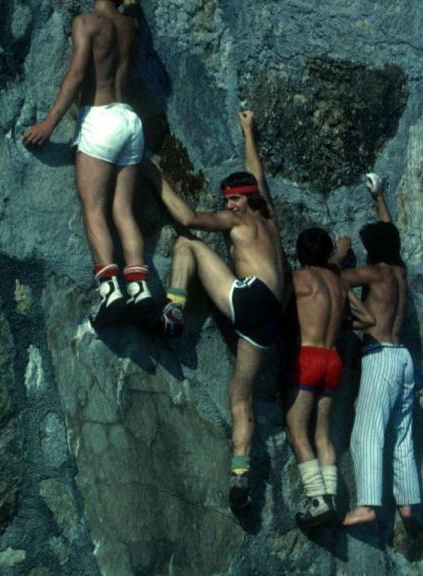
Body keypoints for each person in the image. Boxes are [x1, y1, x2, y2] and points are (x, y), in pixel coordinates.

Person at [150, 109, 286, 514]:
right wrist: (248, 130)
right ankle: (240, 476)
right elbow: (255, 174)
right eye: (226, 200)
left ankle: (173, 309)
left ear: (243, 203)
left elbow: (189, 217)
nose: (228, 205)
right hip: (271, 318)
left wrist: (151, 175)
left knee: (186, 244)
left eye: (233, 200)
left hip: (251, 297)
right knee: (239, 395)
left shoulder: (238, 220)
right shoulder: (269, 220)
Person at [22, 0, 151, 324]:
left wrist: (49, 123)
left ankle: (111, 290)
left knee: (93, 207)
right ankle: (140, 288)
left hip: (101, 119)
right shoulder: (129, 26)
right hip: (130, 120)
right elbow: (131, 14)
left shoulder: (87, 23)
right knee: (123, 210)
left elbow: (77, 74)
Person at [330, 174, 423, 527]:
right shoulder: (399, 270)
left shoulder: (374, 273)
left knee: (366, 432)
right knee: (401, 437)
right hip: (403, 357)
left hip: (381, 357)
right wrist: (379, 196)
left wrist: (340, 253)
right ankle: (409, 504)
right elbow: (390, 230)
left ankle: (369, 503)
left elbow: (332, 278)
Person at [284, 228, 374, 528]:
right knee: (323, 433)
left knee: (297, 431)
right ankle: (332, 498)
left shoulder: (297, 280)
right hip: (333, 359)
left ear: (299, 252)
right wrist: (340, 322)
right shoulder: (338, 283)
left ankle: (317, 498)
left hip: (307, 356)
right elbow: (367, 319)